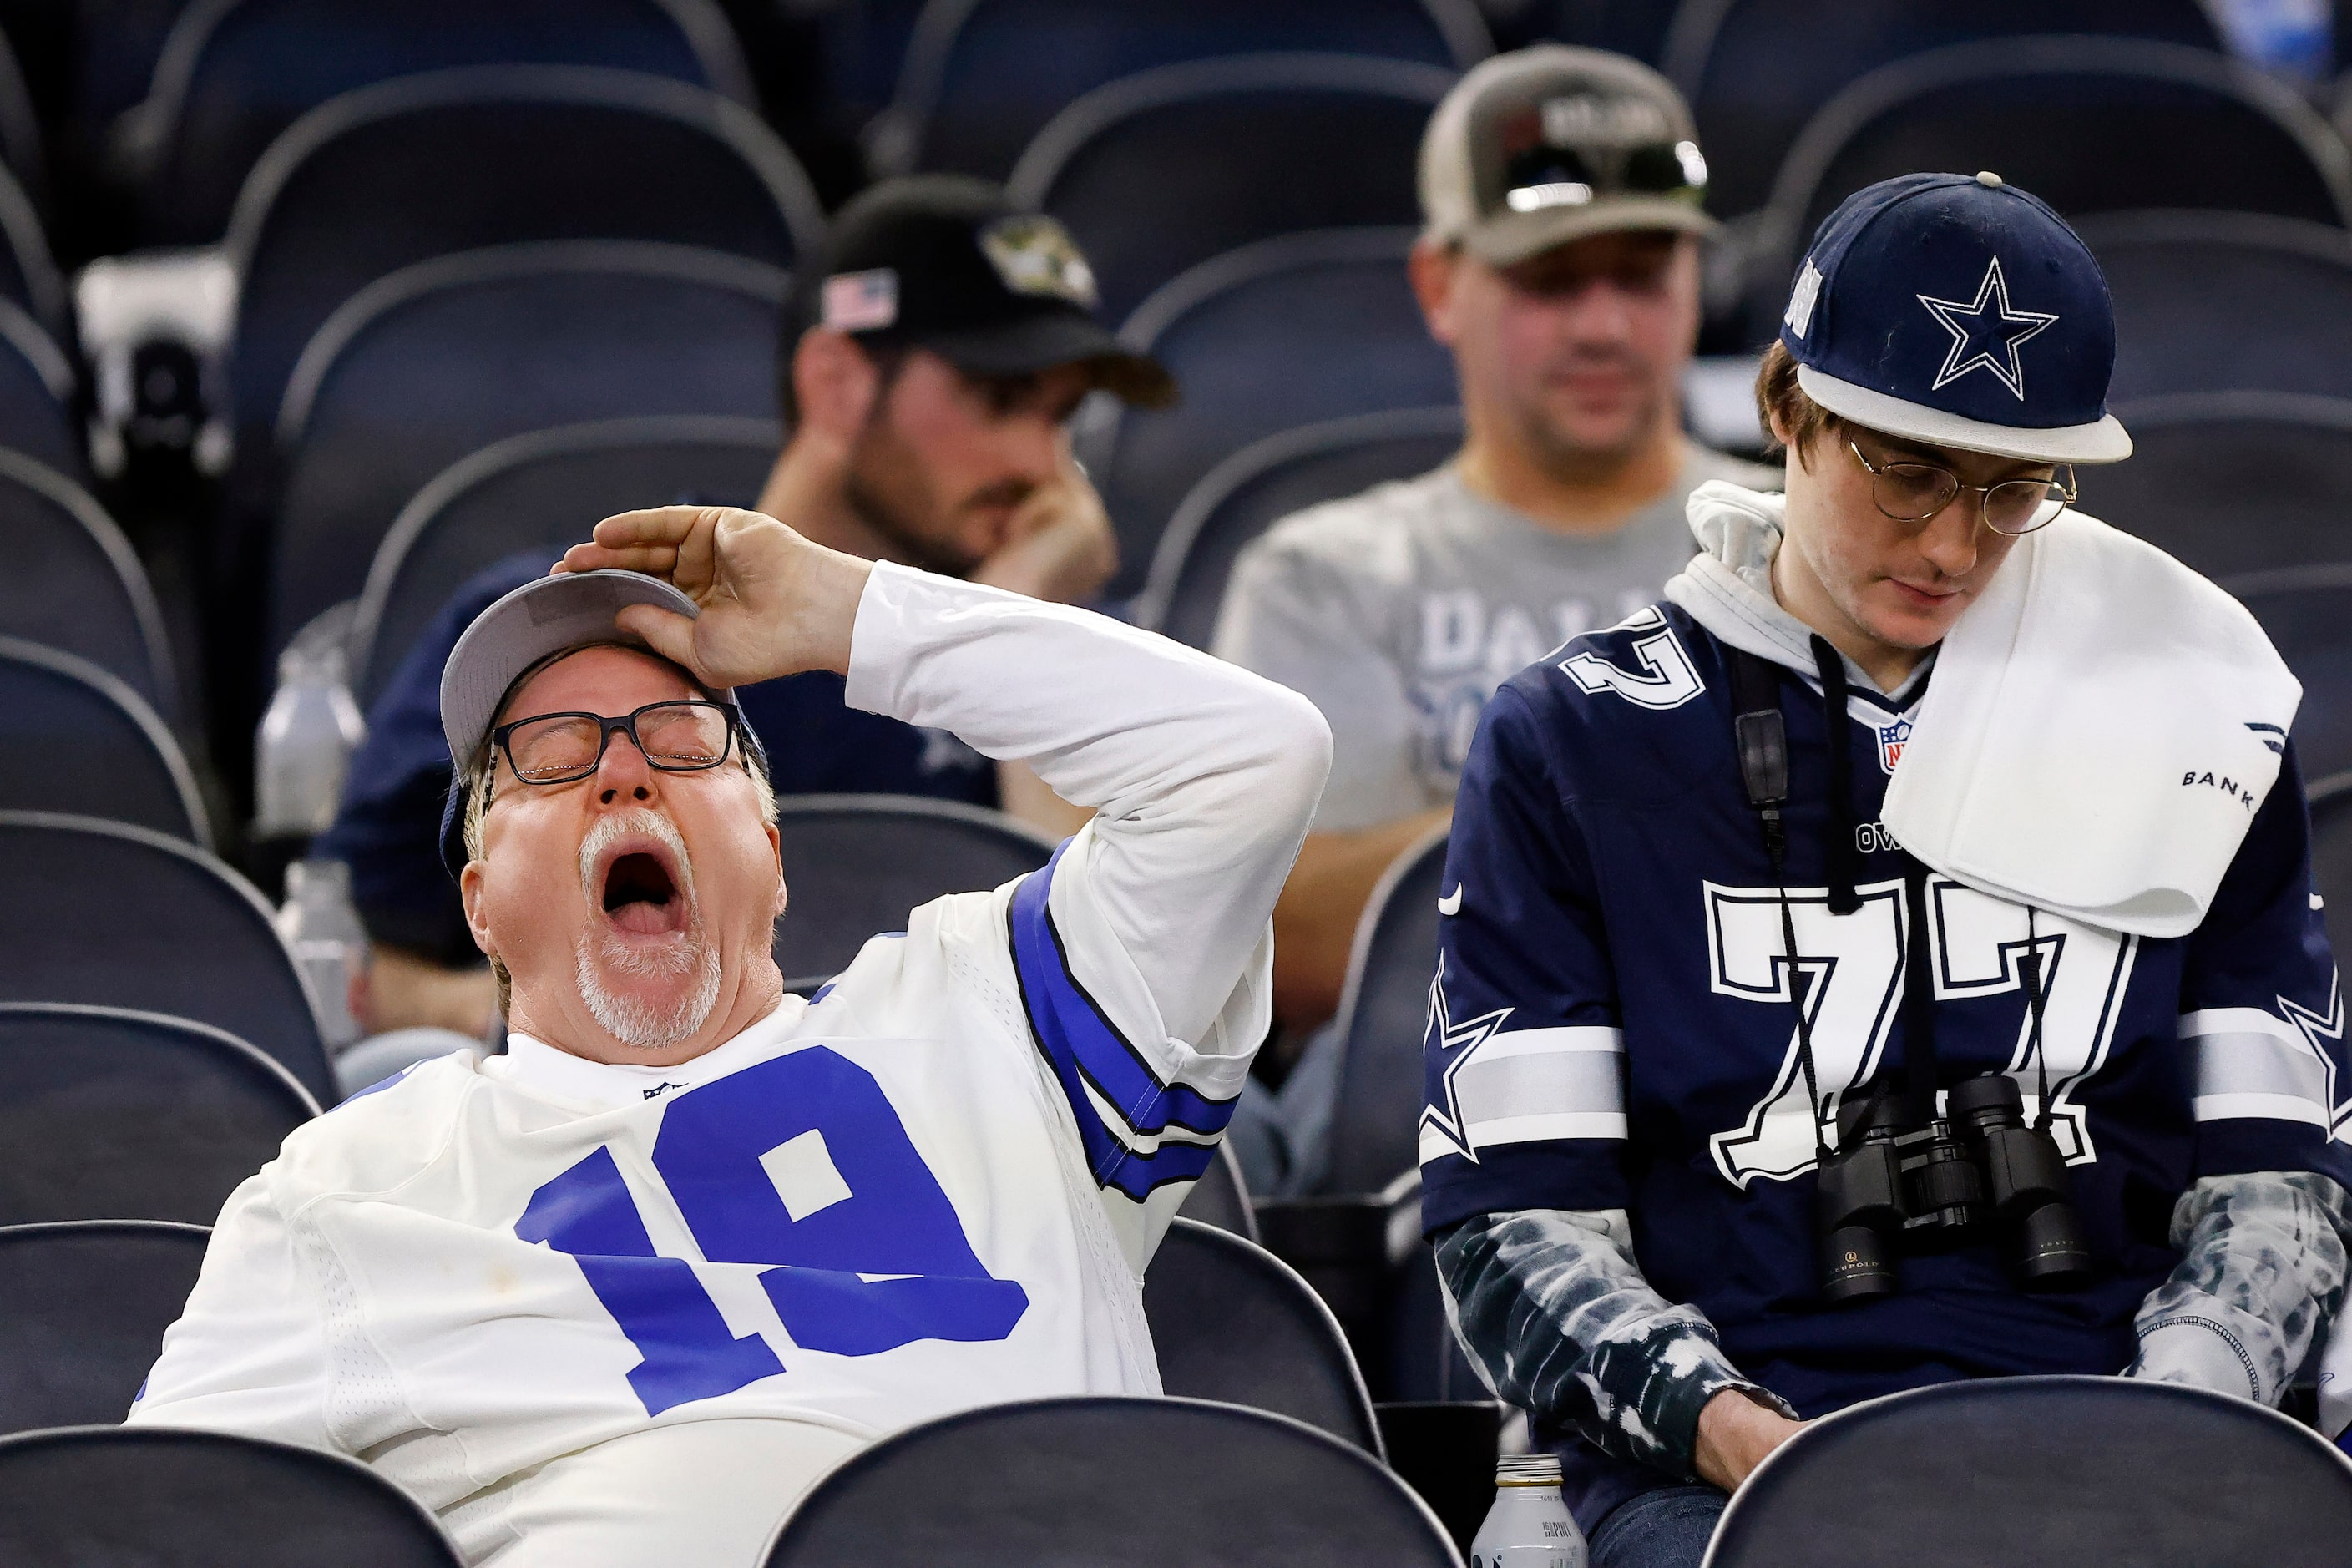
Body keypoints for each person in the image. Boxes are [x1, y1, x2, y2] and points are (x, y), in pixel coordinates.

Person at [1420, 172, 2352, 1568]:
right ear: (1784, 403)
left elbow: (2276, 1172)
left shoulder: (2197, 717)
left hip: (2133, 1424)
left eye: (2012, 488)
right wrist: (1763, 1442)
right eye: (1906, 468)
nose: (1950, 544)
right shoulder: (1576, 737)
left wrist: (2176, 1424)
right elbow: (1509, 1223)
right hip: (1734, 1453)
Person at [130, 503, 1330, 1565]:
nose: (621, 775)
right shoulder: (343, 1193)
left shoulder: (990, 1014)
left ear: (772, 849)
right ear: (480, 904)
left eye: (681, 736)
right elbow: (138, 1521)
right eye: (546, 758)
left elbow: (1252, 761)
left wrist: (848, 613)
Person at [319, 175, 1172, 1043]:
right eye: (1000, 401)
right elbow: (341, 947)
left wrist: (1012, 614)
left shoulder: (1073, 642)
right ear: (837, 384)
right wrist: (471, 1007)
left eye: (1063, 416)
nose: (1045, 461)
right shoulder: (567, 628)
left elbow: (1117, 993)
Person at [1211, 45, 1773, 1192]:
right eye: (1552, 278)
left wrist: (1495, 837)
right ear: (1438, 285)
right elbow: (1303, 952)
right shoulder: (1323, 574)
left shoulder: (1804, 542)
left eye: (1644, 269)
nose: (1605, 324)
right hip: (1430, 1138)